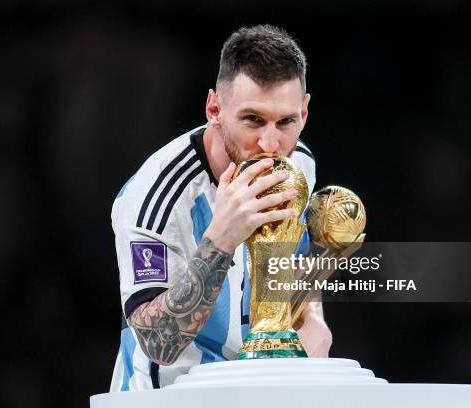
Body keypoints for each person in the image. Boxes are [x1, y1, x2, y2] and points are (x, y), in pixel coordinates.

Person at [110, 24, 332, 392]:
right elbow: (157, 343)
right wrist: (222, 238)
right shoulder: (155, 197)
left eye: (286, 122)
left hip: (255, 393)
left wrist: (312, 318)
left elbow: (295, 259)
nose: (271, 144)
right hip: (167, 399)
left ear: (304, 114)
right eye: (253, 120)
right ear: (215, 108)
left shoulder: (299, 164)